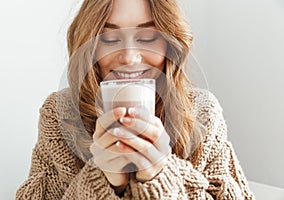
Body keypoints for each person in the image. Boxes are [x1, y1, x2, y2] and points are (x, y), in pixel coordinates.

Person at [16, 0, 255, 199]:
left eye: (148, 38)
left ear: (170, 43)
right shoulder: (60, 115)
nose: (129, 57)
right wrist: (103, 180)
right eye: (109, 39)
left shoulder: (202, 112)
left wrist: (159, 175)